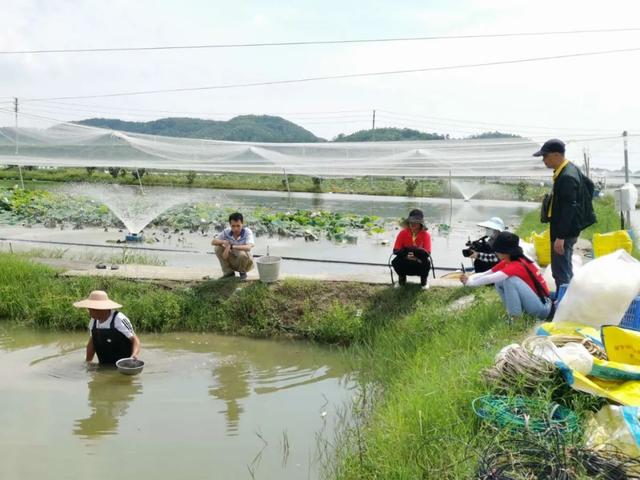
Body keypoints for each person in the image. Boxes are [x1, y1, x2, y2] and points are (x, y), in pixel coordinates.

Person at [534, 139, 596, 290]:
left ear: (556, 155)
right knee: (565, 267)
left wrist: (560, 237)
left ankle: (564, 308)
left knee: (560, 271)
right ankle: (572, 300)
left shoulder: (567, 176)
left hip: (564, 232)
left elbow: (569, 208)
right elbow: (590, 185)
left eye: (545, 156)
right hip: (568, 229)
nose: (543, 160)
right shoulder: (568, 169)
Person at [460, 232, 552, 320]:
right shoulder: (508, 261)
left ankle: (515, 319)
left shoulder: (517, 265)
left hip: (543, 308)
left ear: (505, 252)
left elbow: (490, 278)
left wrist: (470, 283)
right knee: (499, 282)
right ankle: (511, 313)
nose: (496, 253)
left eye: (497, 251)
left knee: (510, 281)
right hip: (536, 303)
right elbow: (487, 273)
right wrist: (469, 278)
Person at [73, 290, 141, 365]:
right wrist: (88, 362)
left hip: (124, 365)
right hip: (103, 366)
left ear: (101, 308)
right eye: (89, 309)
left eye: (91, 309)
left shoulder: (119, 319)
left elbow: (135, 340)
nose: (89, 312)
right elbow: (92, 342)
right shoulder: (93, 321)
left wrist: (134, 355)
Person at [391, 209, 432, 288]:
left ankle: (424, 282)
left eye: (416, 222)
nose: (413, 224)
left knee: (427, 263)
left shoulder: (426, 235)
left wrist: (416, 255)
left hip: (419, 260)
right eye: (411, 221)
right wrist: (405, 254)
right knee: (395, 261)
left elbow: (428, 253)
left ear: (421, 223)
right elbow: (395, 250)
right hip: (405, 259)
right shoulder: (402, 233)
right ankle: (401, 280)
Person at [211, 212, 255, 281]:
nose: (236, 229)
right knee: (217, 248)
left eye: (238, 226)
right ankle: (229, 273)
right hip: (234, 260)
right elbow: (213, 242)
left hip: (246, 263)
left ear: (242, 224)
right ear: (230, 225)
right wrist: (223, 242)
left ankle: (242, 273)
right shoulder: (227, 231)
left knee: (242, 254)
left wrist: (232, 246)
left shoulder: (247, 232)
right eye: (233, 226)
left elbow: (248, 247)